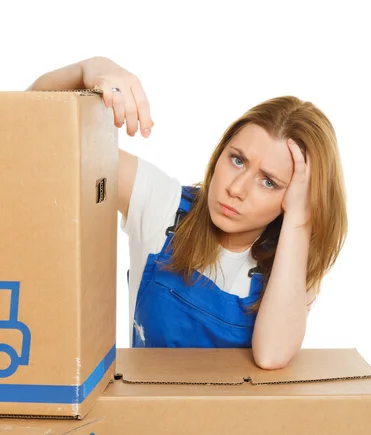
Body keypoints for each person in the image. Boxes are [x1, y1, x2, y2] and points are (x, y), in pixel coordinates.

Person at [27, 56, 347, 369]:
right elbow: (34, 126)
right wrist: (90, 68)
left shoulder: (289, 263)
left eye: (268, 182)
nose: (237, 188)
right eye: (237, 160)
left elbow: (271, 354)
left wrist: (300, 219)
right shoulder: (161, 204)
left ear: (293, 199)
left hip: (238, 424)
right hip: (142, 419)